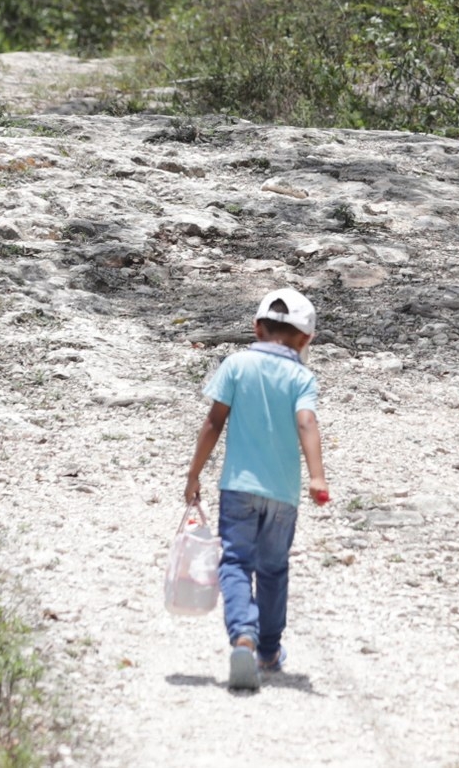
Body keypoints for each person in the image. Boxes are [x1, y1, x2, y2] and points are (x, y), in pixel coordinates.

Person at [184, 287, 330, 692]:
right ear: (307, 340)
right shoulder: (302, 376)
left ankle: (243, 638)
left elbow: (213, 423)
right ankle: (268, 650)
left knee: (234, 562)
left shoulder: (235, 364)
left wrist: (194, 474)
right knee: (273, 569)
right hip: (282, 494)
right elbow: (306, 423)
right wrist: (317, 476)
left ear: (256, 328)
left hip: (237, 489)